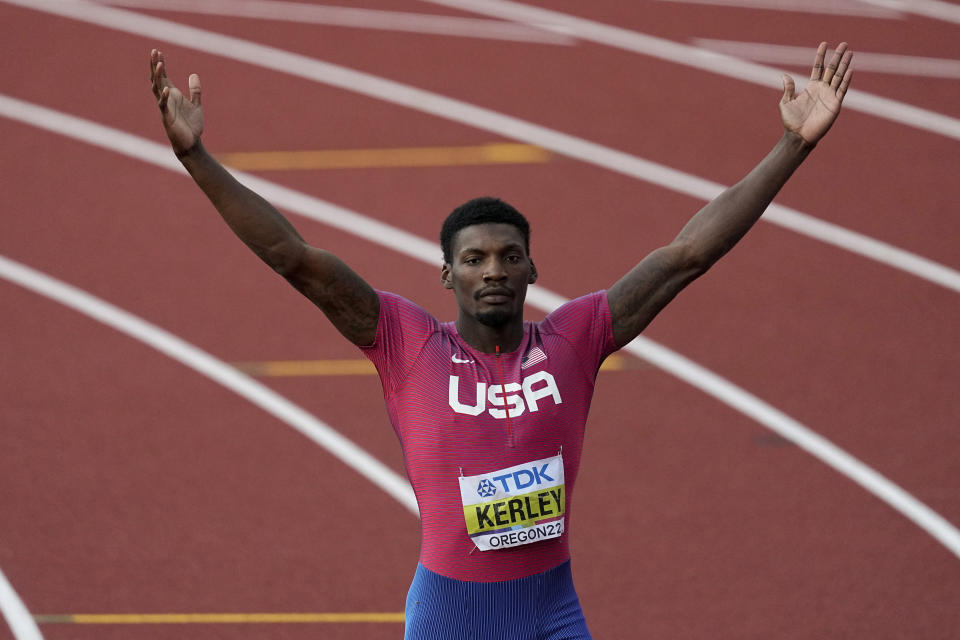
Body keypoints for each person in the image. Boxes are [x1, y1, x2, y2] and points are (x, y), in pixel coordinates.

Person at [150, 42, 853, 639]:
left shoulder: (577, 337)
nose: (494, 270)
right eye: (476, 259)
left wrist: (793, 145)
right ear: (447, 274)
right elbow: (294, 258)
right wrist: (198, 159)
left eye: (509, 256)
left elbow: (686, 255)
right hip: (452, 615)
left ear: (532, 270)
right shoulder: (404, 342)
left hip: (553, 609)